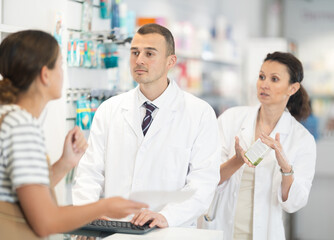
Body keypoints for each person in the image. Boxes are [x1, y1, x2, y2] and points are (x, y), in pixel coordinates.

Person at [0, 30, 148, 239]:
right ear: (45, 75)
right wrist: (103, 206)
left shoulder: (9, 116)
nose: (63, 72)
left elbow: (24, 190)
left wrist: (65, 163)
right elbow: (46, 222)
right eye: (60, 65)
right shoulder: (21, 126)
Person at [72, 23, 220, 228]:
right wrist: (87, 213)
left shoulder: (199, 113)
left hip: (168, 230)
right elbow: (89, 172)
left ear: (171, 61)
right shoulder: (110, 109)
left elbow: (203, 184)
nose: (139, 60)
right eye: (135, 52)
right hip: (115, 229)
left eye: (150, 53)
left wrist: (166, 216)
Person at [200, 52, 316, 240]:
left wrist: (286, 168)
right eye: (261, 76)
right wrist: (237, 161)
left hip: (265, 232)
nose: (264, 84)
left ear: (292, 88)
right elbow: (207, 177)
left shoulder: (302, 139)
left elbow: (294, 202)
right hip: (221, 226)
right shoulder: (231, 119)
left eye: (274, 79)